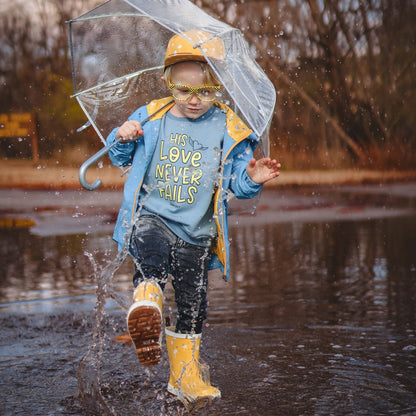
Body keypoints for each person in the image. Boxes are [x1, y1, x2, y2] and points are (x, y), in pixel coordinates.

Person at [106, 29, 280, 405]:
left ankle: (184, 376)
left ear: (218, 85)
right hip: (152, 216)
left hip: (198, 233)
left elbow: (234, 180)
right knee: (149, 256)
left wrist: (252, 176)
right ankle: (147, 301)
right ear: (167, 82)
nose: (195, 100)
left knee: (193, 303)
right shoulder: (151, 116)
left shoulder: (228, 126)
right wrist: (122, 136)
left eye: (205, 90)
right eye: (184, 90)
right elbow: (119, 159)